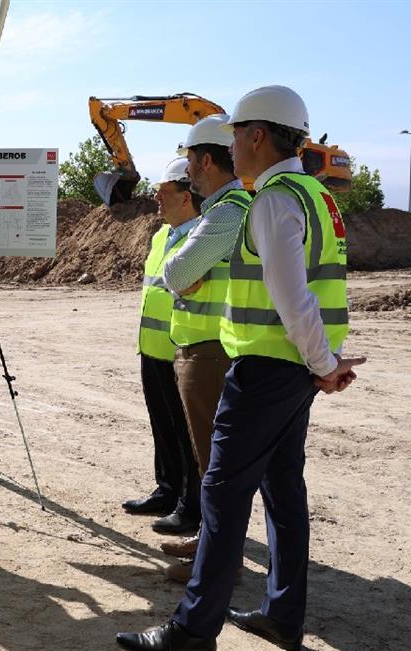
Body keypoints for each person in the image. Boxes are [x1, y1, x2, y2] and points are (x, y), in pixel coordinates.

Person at [117, 85, 365, 651]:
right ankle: (282, 614)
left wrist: (323, 366)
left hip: (268, 368)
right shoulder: (314, 194)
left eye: (233, 133)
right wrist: (321, 364)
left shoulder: (274, 200)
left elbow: (290, 295)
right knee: (283, 490)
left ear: (257, 135)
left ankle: (193, 630)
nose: (229, 144)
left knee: (224, 498)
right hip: (295, 369)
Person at [157, 116, 251, 581]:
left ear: (206, 160)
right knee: (208, 458)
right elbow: (179, 273)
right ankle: (212, 544)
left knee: (216, 462)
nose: (186, 172)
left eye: (190, 160)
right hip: (205, 346)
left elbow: (176, 273)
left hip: (212, 349)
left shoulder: (228, 211)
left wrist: (184, 274)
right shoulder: (226, 208)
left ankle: (219, 561)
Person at [122, 158, 201, 539]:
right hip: (152, 347)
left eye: (164, 191)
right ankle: (167, 489)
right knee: (162, 426)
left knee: (187, 433)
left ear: (186, 197)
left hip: (180, 349)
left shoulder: (201, 237)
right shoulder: (161, 236)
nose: (156, 197)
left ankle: (191, 505)